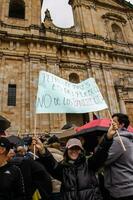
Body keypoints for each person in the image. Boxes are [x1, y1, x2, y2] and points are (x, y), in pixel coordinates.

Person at [33, 126, 116, 200]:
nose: (74, 151)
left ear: (81, 151)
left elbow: (100, 154)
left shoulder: (89, 164)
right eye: (71, 149)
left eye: (77, 149)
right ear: (67, 150)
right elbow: (51, 165)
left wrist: (108, 138)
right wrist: (42, 150)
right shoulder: (63, 168)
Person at [104, 113, 133, 200]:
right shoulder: (128, 138)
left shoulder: (118, 140)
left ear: (121, 124)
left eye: (114, 122)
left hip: (122, 189)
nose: (110, 124)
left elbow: (104, 160)